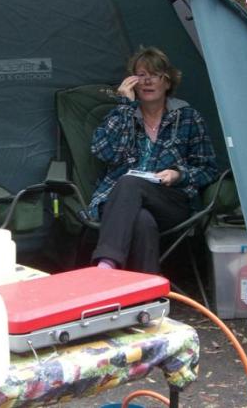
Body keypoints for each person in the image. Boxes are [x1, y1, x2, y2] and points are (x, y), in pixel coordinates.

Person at [88, 47, 220, 273]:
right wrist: (124, 108)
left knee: (131, 183)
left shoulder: (188, 117)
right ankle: (147, 296)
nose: (147, 81)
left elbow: (208, 169)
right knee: (142, 221)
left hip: (170, 201)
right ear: (132, 83)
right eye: (140, 75)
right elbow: (104, 152)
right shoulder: (122, 115)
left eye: (155, 75)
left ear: (167, 82)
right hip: (121, 204)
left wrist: (178, 174)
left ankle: (106, 265)